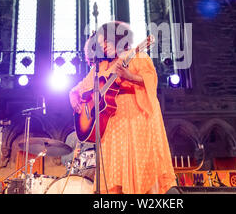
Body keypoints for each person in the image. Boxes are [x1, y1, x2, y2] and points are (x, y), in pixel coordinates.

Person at [69, 21, 176, 194]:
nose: (102, 45)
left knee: (137, 164)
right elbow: (79, 88)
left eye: (105, 41)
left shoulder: (137, 56)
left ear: (116, 38)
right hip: (111, 124)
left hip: (136, 119)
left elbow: (151, 81)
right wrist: (73, 97)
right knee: (114, 172)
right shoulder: (101, 66)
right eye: (101, 42)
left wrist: (129, 76)